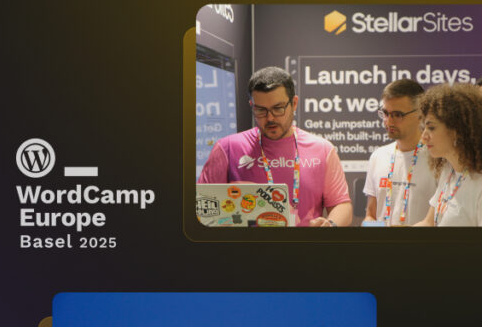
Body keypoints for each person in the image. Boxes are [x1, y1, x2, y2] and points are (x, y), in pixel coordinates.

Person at [198, 66, 353, 227]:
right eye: (260, 110)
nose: (270, 118)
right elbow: (201, 208)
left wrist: (330, 225)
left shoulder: (322, 149)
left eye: (278, 108)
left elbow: (341, 204)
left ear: (294, 103)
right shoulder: (227, 148)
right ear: (252, 105)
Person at [363, 80, 437, 226]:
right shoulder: (378, 156)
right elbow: (371, 215)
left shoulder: (437, 158)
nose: (389, 122)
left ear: (420, 114)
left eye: (397, 115)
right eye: (385, 113)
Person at [415, 83, 482, 226]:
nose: (423, 137)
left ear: (457, 130)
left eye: (431, 128)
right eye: (424, 128)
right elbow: (428, 223)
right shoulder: (448, 171)